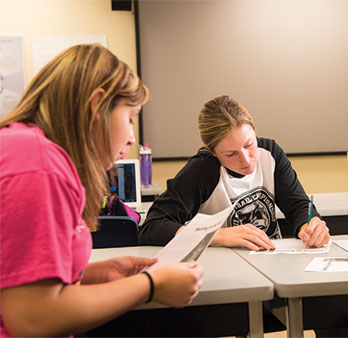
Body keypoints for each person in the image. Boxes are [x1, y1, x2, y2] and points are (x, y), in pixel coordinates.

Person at [0, 44, 203, 337]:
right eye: (130, 117)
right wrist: (149, 286)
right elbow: (33, 318)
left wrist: (91, 274)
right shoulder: (38, 165)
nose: (132, 137)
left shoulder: (29, 151)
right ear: (97, 105)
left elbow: (16, 280)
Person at [139, 95, 330, 250]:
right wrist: (217, 235)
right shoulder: (202, 170)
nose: (246, 160)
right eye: (231, 154)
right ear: (212, 151)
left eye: (249, 144)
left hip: (272, 258)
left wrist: (310, 225)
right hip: (225, 267)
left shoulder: (270, 153)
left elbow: (298, 205)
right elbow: (152, 227)